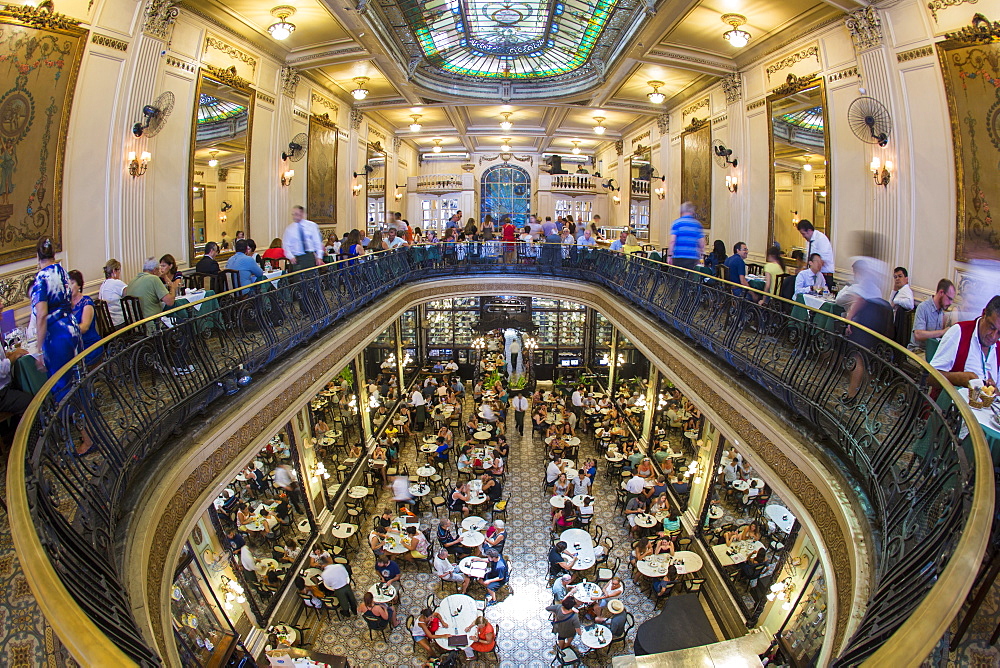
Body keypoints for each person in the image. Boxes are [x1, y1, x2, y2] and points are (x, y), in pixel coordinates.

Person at [30, 238, 83, 402]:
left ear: (38, 257)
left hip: (57, 336)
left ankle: (70, 422)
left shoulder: (41, 278)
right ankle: (84, 419)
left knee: (61, 383)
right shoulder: (62, 272)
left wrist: (38, 350)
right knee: (78, 377)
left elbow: (41, 314)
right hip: (72, 328)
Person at [931, 295, 1000, 388]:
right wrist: (957, 379)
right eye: (991, 327)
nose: (993, 336)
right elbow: (930, 377)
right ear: (984, 313)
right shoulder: (959, 332)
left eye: (999, 333)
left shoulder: (998, 348)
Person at [127, 256, 181, 321]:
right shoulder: (154, 279)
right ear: (155, 270)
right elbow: (170, 302)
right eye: (159, 269)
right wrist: (172, 287)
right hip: (153, 322)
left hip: (135, 323)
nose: (160, 271)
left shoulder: (132, 280)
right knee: (183, 316)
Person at [68, 270, 103, 365]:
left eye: (72, 283)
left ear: (79, 285)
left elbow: (84, 327)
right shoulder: (66, 305)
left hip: (89, 345)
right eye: (67, 284)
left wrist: (66, 330)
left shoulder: (86, 302)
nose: (69, 287)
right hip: (73, 346)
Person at [911, 279, 956, 352]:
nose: (950, 303)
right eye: (949, 299)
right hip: (918, 351)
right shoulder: (923, 307)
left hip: (932, 350)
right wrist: (942, 332)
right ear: (941, 292)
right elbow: (918, 334)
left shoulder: (941, 311)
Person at [796, 220, 835, 290]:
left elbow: (822, 261)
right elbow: (808, 259)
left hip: (824, 275)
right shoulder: (808, 241)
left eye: (803, 234)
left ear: (809, 230)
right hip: (813, 275)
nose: (803, 236)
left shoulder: (821, 239)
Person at [282, 205, 324, 269]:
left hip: (310, 256)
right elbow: (286, 245)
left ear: (302, 214)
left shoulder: (311, 225)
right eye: (293, 214)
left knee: (311, 277)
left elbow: (317, 242)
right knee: (299, 278)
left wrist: (319, 257)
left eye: (296, 214)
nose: (294, 216)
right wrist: (290, 256)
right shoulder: (289, 229)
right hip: (297, 258)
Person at [668, 201, 705, 270]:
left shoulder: (677, 223)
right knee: (690, 279)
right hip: (692, 258)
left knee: (677, 278)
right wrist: (701, 257)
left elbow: (672, 241)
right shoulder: (697, 224)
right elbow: (702, 243)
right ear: (692, 212)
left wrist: (670, 255)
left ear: (682, 211)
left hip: (678, 257)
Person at [99, 259, 128, 326]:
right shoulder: (116, 283)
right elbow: (131, 294)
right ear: (114, 271)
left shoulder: (103, 285)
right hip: (119, 322)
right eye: (119, 270)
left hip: (108, 324)